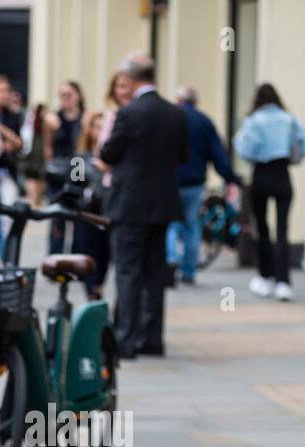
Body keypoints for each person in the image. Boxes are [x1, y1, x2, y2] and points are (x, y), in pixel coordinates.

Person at [99, 53, 187, 359]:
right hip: (162, 203)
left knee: (128, 272)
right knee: (154, 272)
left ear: (134, 79)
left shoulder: (129, 113)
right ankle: (152, 339)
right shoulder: (175, 113)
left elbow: (108, 154)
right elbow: (182, 156)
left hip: (130, 203)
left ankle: (126, 338)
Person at [233, 83, 305, 302]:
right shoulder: (289, 120)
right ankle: (284, 281)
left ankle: (265, 275)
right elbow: (302, 147)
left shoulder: (254, 121)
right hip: (282, 173)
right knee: (283, 229)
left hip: (262, 173)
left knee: (263, 227)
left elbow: (245, 149)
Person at [168, 85, 241, 286]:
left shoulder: (171, 119)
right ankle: (189, 271)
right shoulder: (204, 121)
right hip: (194, 183)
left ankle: (171, 259)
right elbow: (218, 154)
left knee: (171, 224)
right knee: (191, 225)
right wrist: (230, 177)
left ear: (177, 100)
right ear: (196, 102)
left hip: (171, 181)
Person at [71, 111, 111, 300]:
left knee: (105, 256)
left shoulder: (113, 158)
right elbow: (74, 185)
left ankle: (97, 286)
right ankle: (92, 290)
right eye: (97, 126)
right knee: (89, 252)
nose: (100, 131)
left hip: (108, 212)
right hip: (87, 213)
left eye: (104, 127)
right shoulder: (80, 157)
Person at [44, 80, 86, 253]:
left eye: (70, 94)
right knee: (57, 215)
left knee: (77, 213)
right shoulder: (54, 118)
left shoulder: (86, 117)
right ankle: (55, 256)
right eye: (63, 95)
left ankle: (76, 255)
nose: (66, 99)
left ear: (79, 96)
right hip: (59, 168)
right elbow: (48, 149)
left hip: (78, 165)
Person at [0, 75, 24, 259]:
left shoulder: (12, 116)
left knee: (7, 218)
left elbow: (17, 144)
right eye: (0, 91)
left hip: (5, 172)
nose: (4, 95)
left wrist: (2, 132)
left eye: (6, 91)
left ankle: (8, 259)